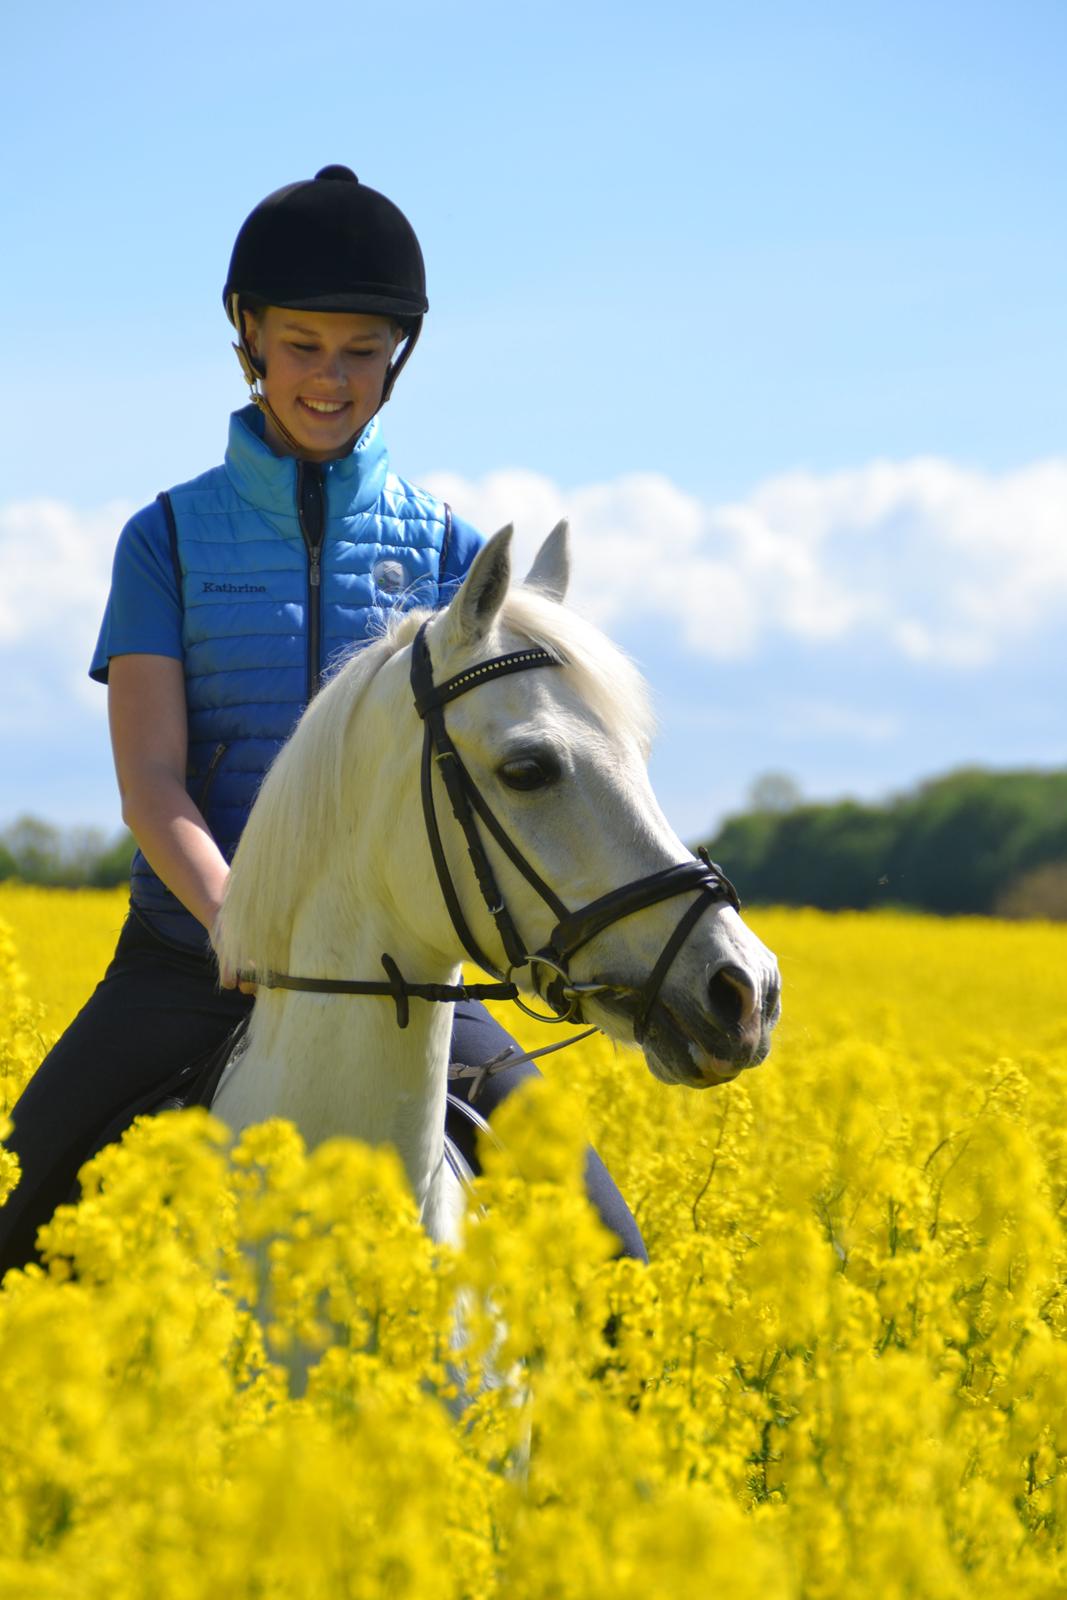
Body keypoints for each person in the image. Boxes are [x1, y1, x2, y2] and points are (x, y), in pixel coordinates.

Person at [0, 166, 646, 1275]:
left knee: (607, 1251)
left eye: (360, 349)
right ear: (249, 339)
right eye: (302, 345)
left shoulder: (452, 552)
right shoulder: (166, 541)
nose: (330, 377)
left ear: (396, 358)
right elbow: (153, 779)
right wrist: (234, 920)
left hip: (405, 962)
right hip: (186, 957)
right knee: (35, 1188)